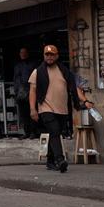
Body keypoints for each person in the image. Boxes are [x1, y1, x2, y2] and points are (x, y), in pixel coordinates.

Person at [28, 44, 93, 174]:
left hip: (62, 109)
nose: (49, 57)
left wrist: (85, 100)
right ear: (44, 56)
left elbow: (74, 88)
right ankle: (60, 159)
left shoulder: (64, 71)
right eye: (47, 54)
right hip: (45, 107)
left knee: (55, 133)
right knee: (54, 131)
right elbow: (32, 91)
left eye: (52, 55)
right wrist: (32, 109)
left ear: (57, 56)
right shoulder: (37, 72)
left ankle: (50, 161)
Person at [13, 47, 37, 138]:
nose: (22, 54)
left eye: (24, 52)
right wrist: (16, 91)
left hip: (30, 91)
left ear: (27, 53)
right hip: (20, 93)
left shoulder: (33, 64)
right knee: (23, 114)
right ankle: (26, 132)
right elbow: (15, 79)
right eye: (21, 52)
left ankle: (33, 132)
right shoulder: (17, 65)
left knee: (32, 111)